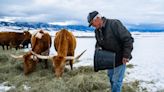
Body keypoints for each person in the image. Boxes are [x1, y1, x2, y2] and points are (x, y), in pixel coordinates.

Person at [87, 11, 134, 92]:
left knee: (116, 81)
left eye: (92, 23)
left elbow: (128, 39)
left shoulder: (114, 24)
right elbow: (98, 43)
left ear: (98, 18)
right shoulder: (97, 31)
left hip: (120, 58)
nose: (93, 26)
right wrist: (98, 51)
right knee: (111, 78)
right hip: (109, 59)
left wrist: (126, 55)